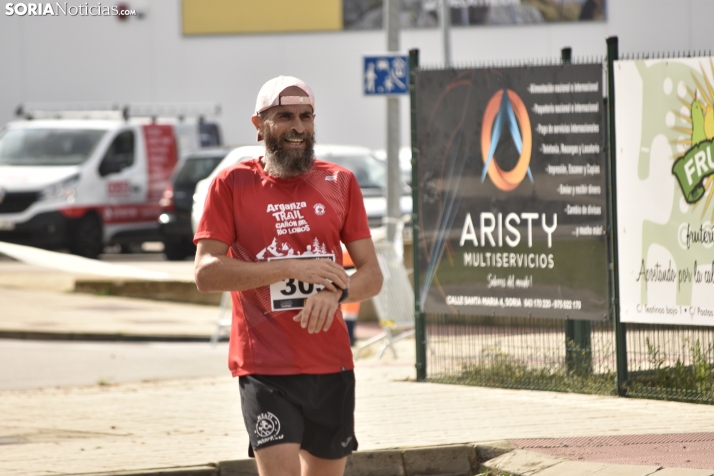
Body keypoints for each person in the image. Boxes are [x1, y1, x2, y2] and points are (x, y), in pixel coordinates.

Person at [193, 75, 383, 476]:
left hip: (331, 365)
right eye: (284, 116)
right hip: (264, 368)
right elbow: (206, 273)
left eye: (306, 116)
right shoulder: (231, 183)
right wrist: (291, 268)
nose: (298, 126)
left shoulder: (340, 182)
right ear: (259, 125)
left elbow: (372, 274)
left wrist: (336, 292)